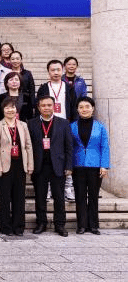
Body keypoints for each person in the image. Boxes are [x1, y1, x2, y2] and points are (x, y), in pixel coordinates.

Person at [28, 95, 73, 237]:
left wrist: (69, 166)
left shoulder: (63, 123)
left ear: (54, 106)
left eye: (49, 105)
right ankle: (41, 223)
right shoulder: (31, 123)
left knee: (59, 197)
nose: (46, 108)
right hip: (39, 166)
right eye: (43, 105)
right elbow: (28, 146)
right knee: (40, 197)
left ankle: (60, 224)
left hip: (58, 165)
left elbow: (69, 146)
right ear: (38, 107)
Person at [0, 97, 34, 236]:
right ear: (3, 110)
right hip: (4, 166)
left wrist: (30, 165)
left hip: (20, 165)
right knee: (4, 198)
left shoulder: (23, 125)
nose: (10, 110)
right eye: (7, 107)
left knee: (19, 198)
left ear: (17, 109)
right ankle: (6, 227)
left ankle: (18, 226)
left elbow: (28, 146)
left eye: (13, 107)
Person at [37, 59, 78, 202]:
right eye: (52, 70)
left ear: (63, 70)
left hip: (65, 125)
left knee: (67, 155)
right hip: (47, 125)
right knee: (47, 158)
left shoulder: (69, 88)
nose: (55, 72)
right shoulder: (43, 88)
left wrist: (73, 124)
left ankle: (68, 188)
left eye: (58, 70)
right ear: (48, 72)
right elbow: (39, 106)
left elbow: (74, 107)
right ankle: (48, 189)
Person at [71, 97, 110, 235]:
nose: (84, 109)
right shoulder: (72, 126)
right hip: (78, 165)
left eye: (87, 106)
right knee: (80, 196)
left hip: (95, 166)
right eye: (81, 107)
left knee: (93, 196)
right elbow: (69, 147)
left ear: (92, 108)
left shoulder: (100, 127)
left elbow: (105, 147)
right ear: (77, 109)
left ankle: (93, 225)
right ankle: (81, 225)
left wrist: (104, 165)